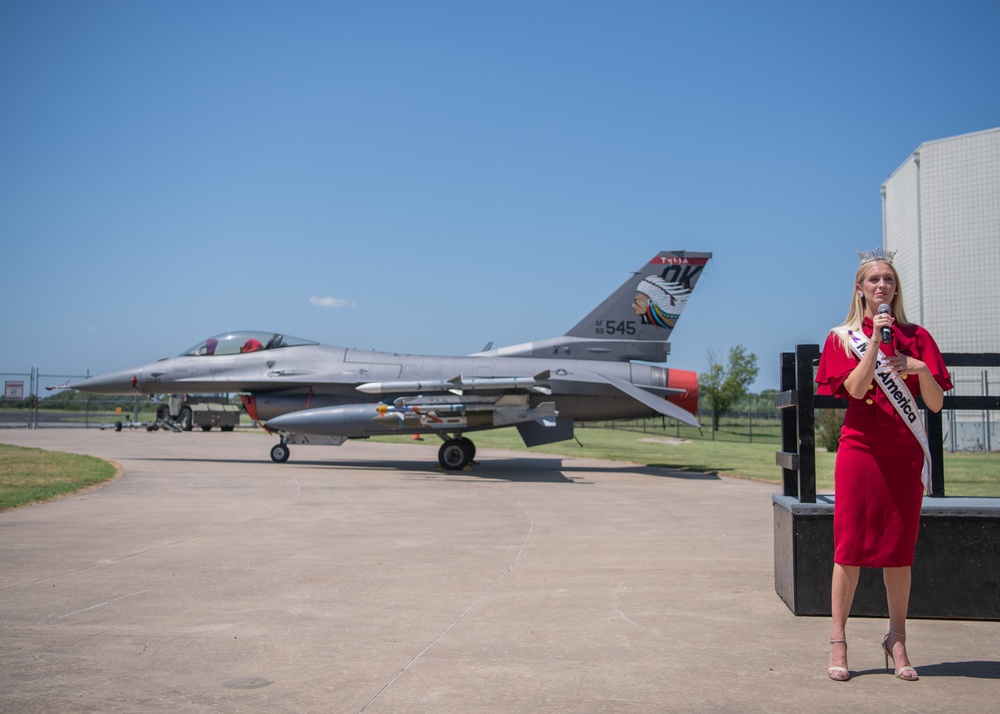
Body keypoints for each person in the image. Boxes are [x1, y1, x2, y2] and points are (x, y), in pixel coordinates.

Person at [815, 247, 952, 682]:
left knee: (898, 551)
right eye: (873, 280)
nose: (882, 286)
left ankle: (897, 639)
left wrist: (917, 368)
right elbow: (854, 391)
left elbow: (934, 402)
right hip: (860, 451)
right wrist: (874, 340)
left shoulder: (919, 338)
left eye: (888, 280)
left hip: (903, 453)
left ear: (896, 289)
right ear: (860, 290)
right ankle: (839, 640)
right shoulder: (841, 338)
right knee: (849, 548)